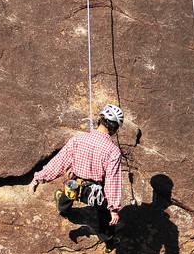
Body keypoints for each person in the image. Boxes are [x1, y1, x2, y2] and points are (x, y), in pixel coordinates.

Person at [29, 105, 124, 246]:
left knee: (66, 195)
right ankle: (109, 241)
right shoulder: (113, 151)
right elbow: (112, 181)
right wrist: (113, 209)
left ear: (100, 120)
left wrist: (38, 178)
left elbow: (59, 163)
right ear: (115, 129)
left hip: (74, 183)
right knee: (105, 214)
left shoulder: (77, 140)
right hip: (95, 191)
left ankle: (63, 206)